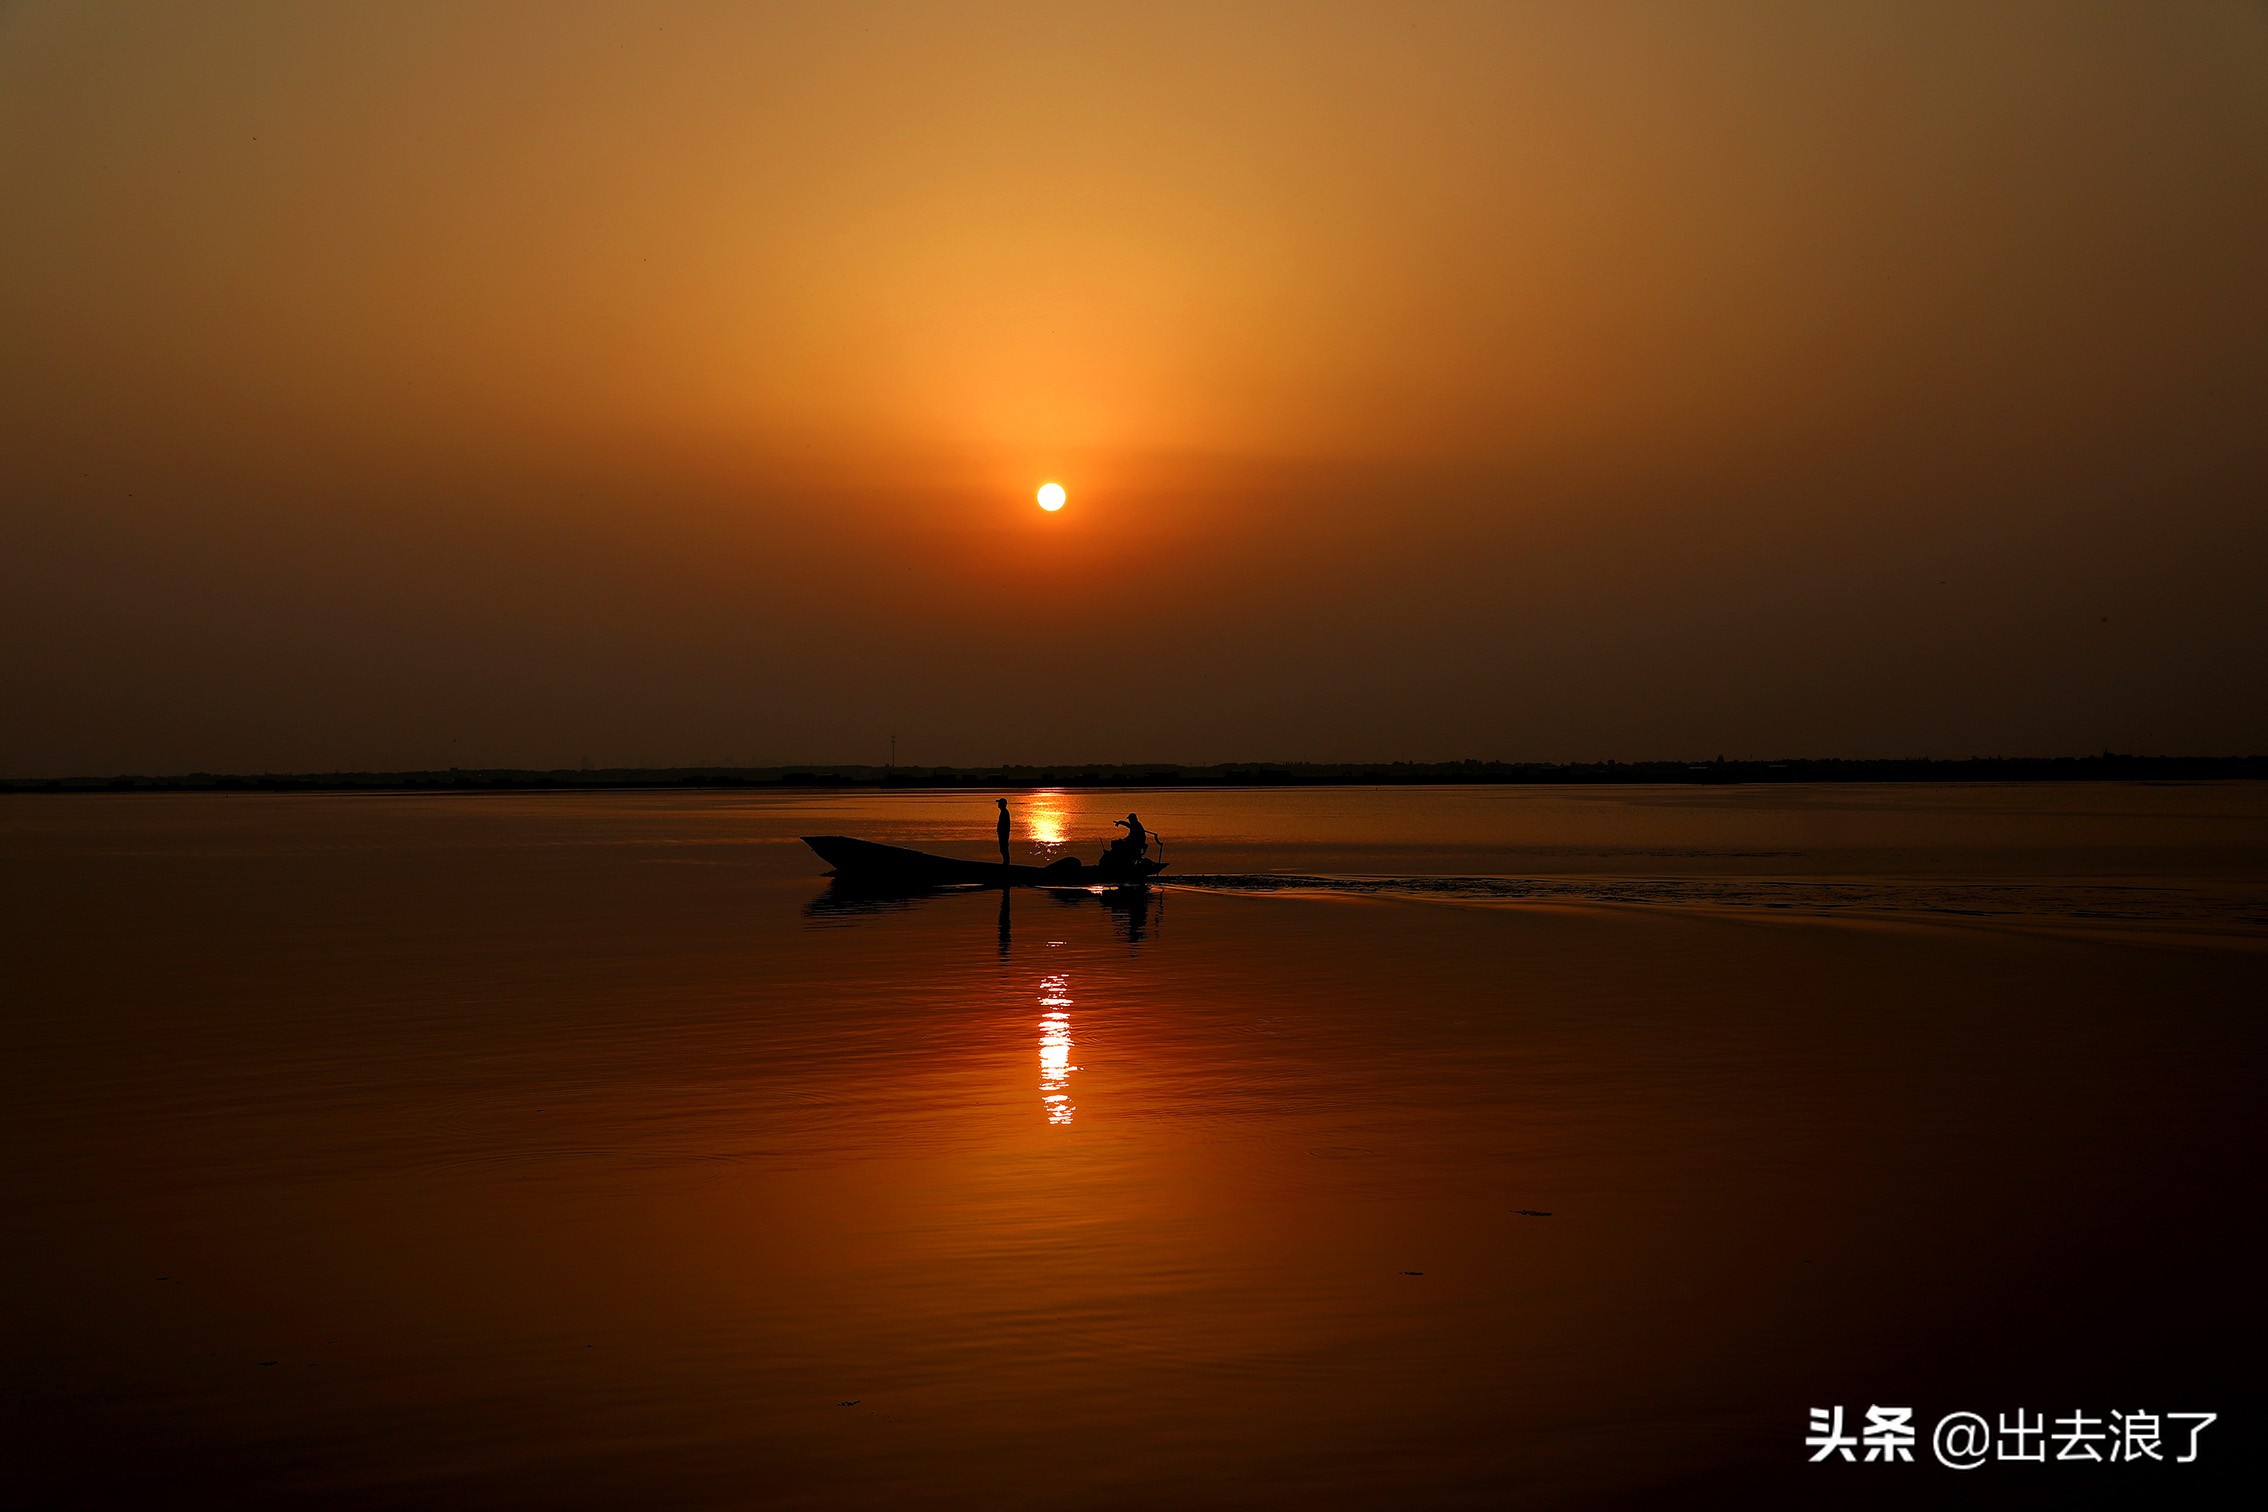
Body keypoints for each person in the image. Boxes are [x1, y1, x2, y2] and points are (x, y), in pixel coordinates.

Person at [996, 797, 1012, 868]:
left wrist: (1003, 833)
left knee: (1004, 849)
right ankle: (1005, 863)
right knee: (1003, 849)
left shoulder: (1005, 812)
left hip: (1004, 834)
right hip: (1002, 834)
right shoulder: (1003, 812)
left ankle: (1006, 864)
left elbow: (1005, 825)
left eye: (999, 803)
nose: (998, 804)